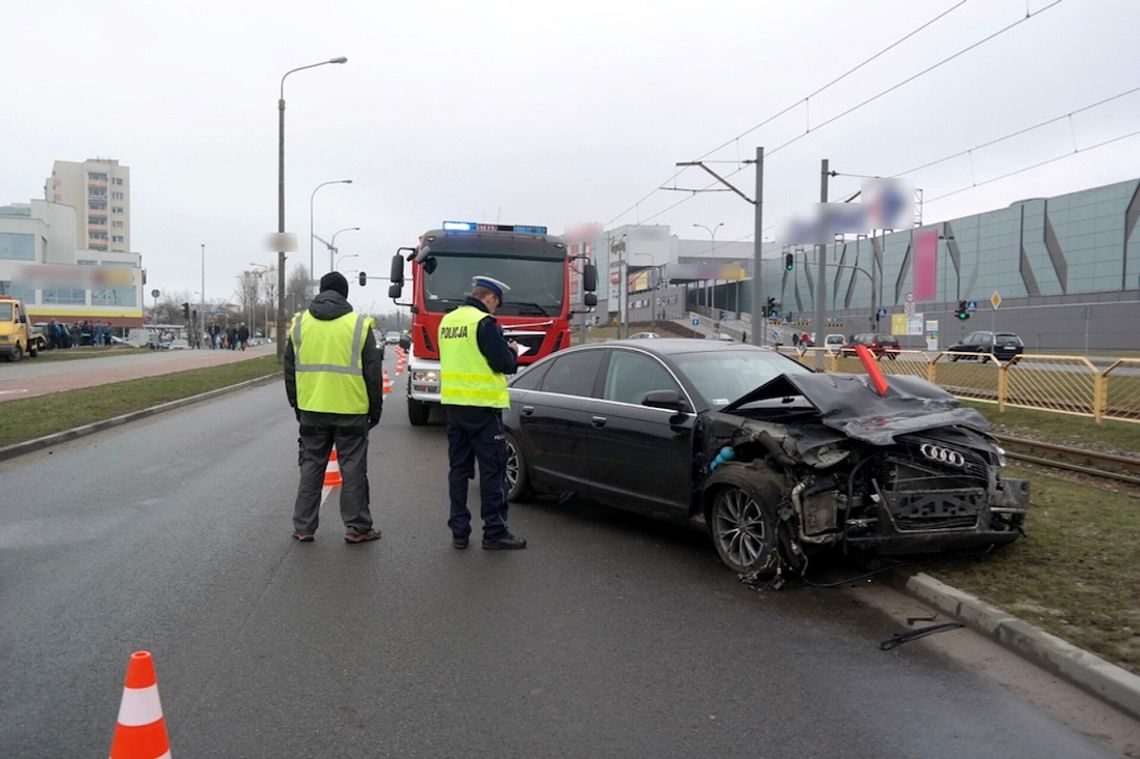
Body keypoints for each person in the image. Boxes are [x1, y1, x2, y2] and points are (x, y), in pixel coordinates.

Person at [284, 271, 384, 544]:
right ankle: (357, 528)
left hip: (312, 409)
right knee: (352, 469)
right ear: (345, 294)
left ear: (321, 291)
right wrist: (374, 412)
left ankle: (303, 527)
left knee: (311, 466)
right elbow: (373, 375)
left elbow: (290, 371)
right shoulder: (359, 325)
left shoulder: (300, 324)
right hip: (351, 410)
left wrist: (297, 405)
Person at [438, 275, 526, 550]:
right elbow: (502, 363)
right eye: (496, 304)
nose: (495, 309)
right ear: (489, 298)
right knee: (493, 471)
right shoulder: (484, 323)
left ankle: (459, 533)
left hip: (454, 408)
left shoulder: (448, 322)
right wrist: (512, 351)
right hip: (484, 410)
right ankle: (495, 532)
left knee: (459, 471)